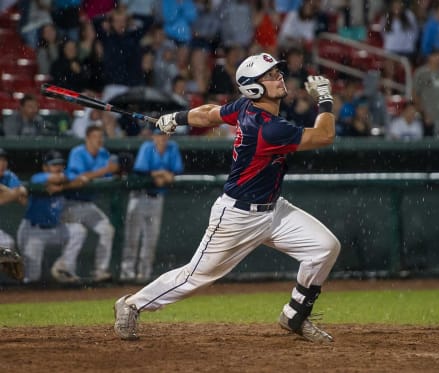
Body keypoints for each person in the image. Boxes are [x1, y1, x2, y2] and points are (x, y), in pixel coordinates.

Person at [113, 53, 341, 343]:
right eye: (270, 76)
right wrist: (324, 97)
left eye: (277, 72)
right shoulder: (268, 128)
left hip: (274, 211)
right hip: (238, 217)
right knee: (193, 278)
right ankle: (132, 304)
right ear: (254, 87)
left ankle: (295, 314)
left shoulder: (247, 108)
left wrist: (178, 117)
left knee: (324, 247)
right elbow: (325, 135)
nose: (279, 77)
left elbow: (209, 113)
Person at [51, 125, 119, 283]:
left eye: (101, 137)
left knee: (107, 230)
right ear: (88, 138)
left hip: (88, 204)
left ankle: (100, 270)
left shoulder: (103, 153)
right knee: (78, 232)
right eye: (96, 137)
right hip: (71, 202)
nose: (99, 140)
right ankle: (64, 267)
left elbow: (108, 175)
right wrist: (104, 171)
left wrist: (115, 171)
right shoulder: (78, 152)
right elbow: (79, 178)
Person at [120, 128, 184, 283]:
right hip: (139, 195)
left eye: (164, 134)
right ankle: (127, 274)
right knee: (132, 238)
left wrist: (164, 175)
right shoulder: (147, 147)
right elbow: (141, 171)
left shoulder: (172, 147)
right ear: (153, 136)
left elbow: (177, 170)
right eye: (159, 134)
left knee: (151, 239)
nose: (162, 137)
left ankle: (144, 274)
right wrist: (162, 174)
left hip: (157, 198)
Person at [17, 150, 74, 283]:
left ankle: (62, 267)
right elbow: (50, 179)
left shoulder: (65, 177)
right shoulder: (37, 178)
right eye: (54, 165)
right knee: (32, 278)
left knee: (78, 231)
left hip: (54, 229)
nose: (58, 168)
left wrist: (62, 184)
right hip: (33, 231)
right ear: (45, 167)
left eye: (60, 164)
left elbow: (74, 177)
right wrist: (61, 183)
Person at [413, 47, 439, 137]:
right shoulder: (421, 73)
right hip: (426, 119)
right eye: (436, 56)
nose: (438, 58)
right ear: (429, 57)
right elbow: (415, 95)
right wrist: (423, 114)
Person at [0, 149, 28, 251]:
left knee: (7, 243)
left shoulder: (9, 176)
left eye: (4, 160)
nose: (2, 164)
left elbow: (23, 201)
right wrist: (17, 191)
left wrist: (12, 192)